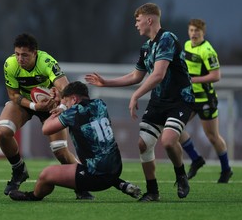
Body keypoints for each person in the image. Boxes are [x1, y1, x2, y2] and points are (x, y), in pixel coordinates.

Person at [85, 3, 195, 202]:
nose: (136, 24)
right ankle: (152, 192)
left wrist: (135, 95)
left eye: (138, 20)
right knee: (143, 144)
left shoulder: (167, 38)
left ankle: (181, 175)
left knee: (169, 141)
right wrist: (106, 83)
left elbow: (159, 75)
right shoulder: (146, 47)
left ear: (149, 19)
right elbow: (136, 76)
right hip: (159, 102)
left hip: (180, 100)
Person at [0, 33, 93, 200]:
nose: (20, 58)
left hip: (51, 106)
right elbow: (13, 95)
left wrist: (61, 106)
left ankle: (82, 184)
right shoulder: (10, 64)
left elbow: (65, 87)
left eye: (25, 55)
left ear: (35, 53)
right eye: (17, 54)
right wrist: (34, 105)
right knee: (2, 132)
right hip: (26, 104)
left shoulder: (46, 61)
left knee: (60, 151)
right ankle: (19, 170)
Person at [8, 81, 142, 201]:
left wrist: (53, 109)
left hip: (95, 176)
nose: (64, 104)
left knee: (46, 175)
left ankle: (33, 196)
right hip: (116, 168)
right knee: (94, 160)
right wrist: (63, 105)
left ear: (74, 99)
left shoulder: (73, 112)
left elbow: (46, 129)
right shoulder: (100, 104)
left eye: (65, 101)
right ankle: (121, 184)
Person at [179, 19, 233, 183]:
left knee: (212, 136)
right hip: (190, 98)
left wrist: (193, 80)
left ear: (203, 33)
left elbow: (216, 76)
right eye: (191, 30)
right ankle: (196, 159)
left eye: (197, 31)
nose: (194, 34)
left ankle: (226, 170)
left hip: (205, 100)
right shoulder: (187, 45)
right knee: (175, 127)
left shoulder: (208, 51)